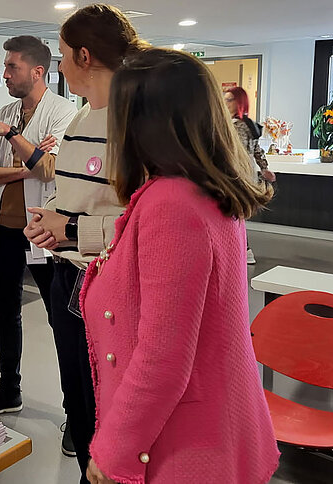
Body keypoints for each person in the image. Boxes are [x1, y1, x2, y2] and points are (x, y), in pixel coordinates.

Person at [79, 47, 279, 484]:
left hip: (182, 445)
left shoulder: (172, 202)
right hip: (211, 423)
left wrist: (115, 450)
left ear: (141, 122)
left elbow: (163, 358)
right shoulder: (204, 187)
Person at [23, 3, 145, 475]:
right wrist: (55, 224)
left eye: (62, 56)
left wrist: (74, 231)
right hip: (68, 276)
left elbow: (150, 225)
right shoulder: (78, 121)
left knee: (107, 399)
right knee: (77, 394)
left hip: (110, 283)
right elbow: (80, 199)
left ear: (85, 56)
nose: (60, 67)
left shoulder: (135, 124)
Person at [0, 35, 77, 417]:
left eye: (12, 67)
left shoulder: (64, 113)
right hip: (5, 231)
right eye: (5, 66)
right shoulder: (5, 111)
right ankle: (8, 390)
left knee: (59, 320)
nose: (5, 74)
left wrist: (11, 138)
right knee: (7, 313)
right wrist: (25, 160)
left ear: (37, 71)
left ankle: (74, 411)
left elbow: (49, 168)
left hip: (43, 232)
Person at [224, 86, 275, 264]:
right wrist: (264, 167)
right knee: (236, 213)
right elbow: (257, 150)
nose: (225, 103)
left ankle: (244, 250)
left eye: (229, 99)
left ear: (239, 102)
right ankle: (242, 249)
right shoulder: (248, 124)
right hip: (244, 175)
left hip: (237, 176)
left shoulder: (237, 126)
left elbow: (236, 153)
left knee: (235, 213)